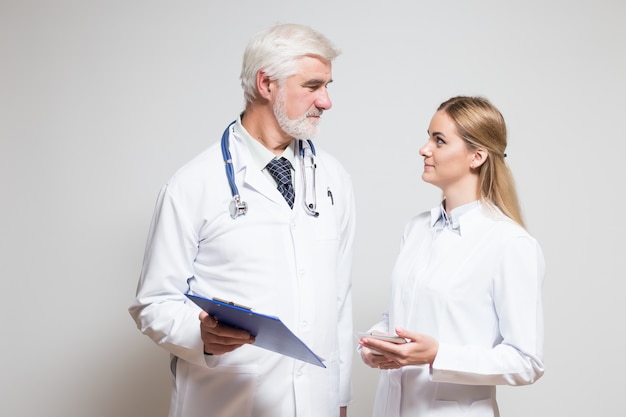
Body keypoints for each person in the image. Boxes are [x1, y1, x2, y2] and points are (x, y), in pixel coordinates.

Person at [129, 23, 355, 417]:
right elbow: (153, 302)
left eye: (328, 86)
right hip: (227, 402)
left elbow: (338, 300)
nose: (327, 101)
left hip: (315, 404)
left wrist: (339, 399)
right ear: (266, 84)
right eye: (313, 86)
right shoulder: (193, 184)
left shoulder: (333, 178)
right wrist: (199, 333)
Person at [358, 96, 545, 417]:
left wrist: (438, 356)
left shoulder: (509, 243)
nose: (424, 149)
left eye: (439, 140)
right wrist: (375, 346)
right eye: (429, 136)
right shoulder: (417, 228)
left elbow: (526, 362)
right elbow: (397, 319)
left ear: (477, 156)